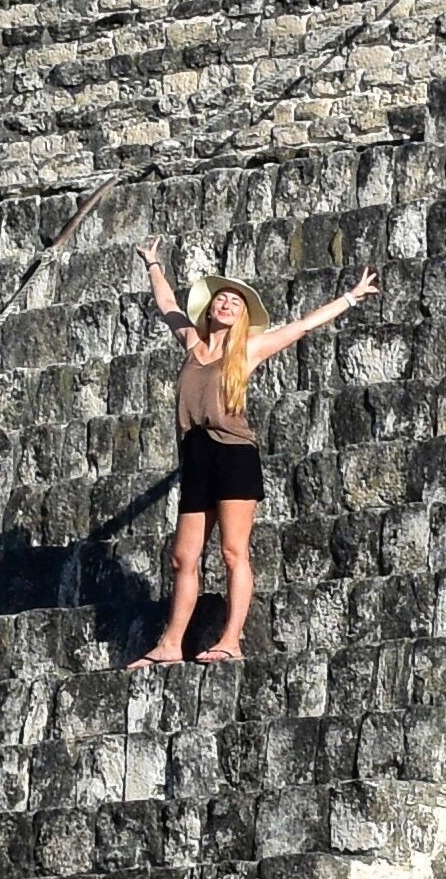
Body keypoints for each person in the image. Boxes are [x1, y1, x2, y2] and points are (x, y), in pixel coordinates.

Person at [133, 243, 379, 666]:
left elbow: (301, 326)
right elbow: (168, 303)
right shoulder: (192, 342)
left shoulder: (246, 350)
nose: (226, 303)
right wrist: (153, 262)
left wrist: (350, 297)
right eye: (221, 299)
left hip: (233, 454)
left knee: (233, 551)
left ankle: (231, 639)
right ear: (209, 310)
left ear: (241, 315)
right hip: (195, 453)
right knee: (182, 557)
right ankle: (172, 644)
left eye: (235, 301)